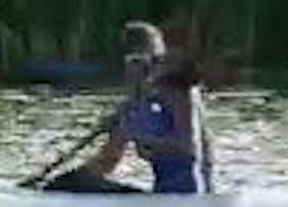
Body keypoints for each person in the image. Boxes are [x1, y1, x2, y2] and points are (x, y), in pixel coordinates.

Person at [48, 20, 212, 194]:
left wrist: (135, 132)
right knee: (73, 182)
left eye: (154, 62)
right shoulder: (138, 104)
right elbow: (109, 160)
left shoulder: (179, 92)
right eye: (132, 64)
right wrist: (65, 181)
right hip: (165, 194)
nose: (140, 71)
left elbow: (189, 149)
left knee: (74, 183)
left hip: (188, 194)